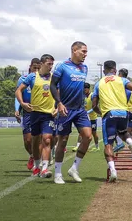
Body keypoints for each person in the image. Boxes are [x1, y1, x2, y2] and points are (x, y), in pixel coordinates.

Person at [91, 60, 132, 182]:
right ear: (115, 69)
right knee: (123, 132)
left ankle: (113, 171)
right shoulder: (121, 80)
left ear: (104, 71)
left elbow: (94, 105)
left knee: (108, 144)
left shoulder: (99, 83)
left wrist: (101, 112)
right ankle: (131, 142)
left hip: (109, 113)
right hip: (123, 113)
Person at [50, 41, 92, 184]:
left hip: (80, 110)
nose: (86, 54)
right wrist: (59, 104)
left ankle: (74, 168)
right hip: (65, 109)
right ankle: (57, 173)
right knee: (62, 141)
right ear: (74, 50)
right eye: (83, 51)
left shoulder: (84, 68)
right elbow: (53, 85)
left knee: (88, 137)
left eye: (86, 52)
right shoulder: (62, 66)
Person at [15, 54, 56, 178]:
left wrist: (57, 106)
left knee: (47, 139)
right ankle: (37, 166)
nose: (51, 67)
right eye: (49, 64)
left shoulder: (55, 78)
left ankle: (44, 168)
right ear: (42, 63)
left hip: (49, 114)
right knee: (34, 140)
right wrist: (22, 104)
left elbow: (59, 93)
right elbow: (18, 91)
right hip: (34, 113)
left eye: (52, 64)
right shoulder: (32, 77)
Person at [14, 58, 41, 170]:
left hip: (40, 111)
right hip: (28, 113)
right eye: (34, 67)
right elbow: (18, 94)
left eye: (38, 68)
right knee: (28, 140)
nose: (36, 70)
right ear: (30, 66)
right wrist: (17, 109)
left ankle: (40, 163)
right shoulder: (23, 79)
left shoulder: (43, 79)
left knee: (41, 139)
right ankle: (32, 156)